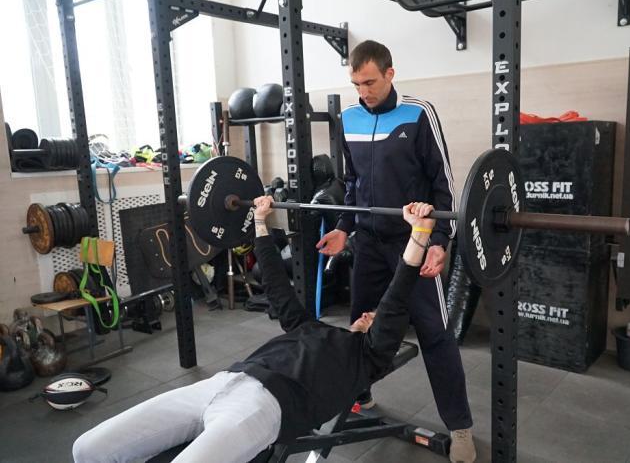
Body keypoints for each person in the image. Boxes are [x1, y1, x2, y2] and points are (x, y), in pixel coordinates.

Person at [72, 197, 460, 463]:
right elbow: (276, 284)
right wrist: (260, 220)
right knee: (87, 449)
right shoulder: (307, 327)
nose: (369, 314)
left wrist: (420, 233)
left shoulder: (368, 356)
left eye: (375, 319)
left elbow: (396, 295)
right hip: (220, 383)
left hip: (262, 409)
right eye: (370, 313)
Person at [316, 40, 475, 463]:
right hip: (368, 244)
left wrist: (440, 241)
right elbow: (352, 184)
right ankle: (359, 396)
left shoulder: (418, 114)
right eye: (356, 84)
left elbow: (443, 183)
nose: (362, 91)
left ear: (390, 73)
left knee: (435, 333)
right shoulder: (348, 118)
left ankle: (460, 428)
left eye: (369, 82)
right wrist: (343, 228)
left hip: (414, 242)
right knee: (359, 325)